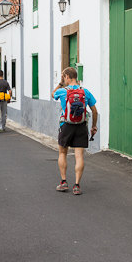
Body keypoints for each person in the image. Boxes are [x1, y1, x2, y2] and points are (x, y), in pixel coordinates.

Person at [52, 67, 98, 195]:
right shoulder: (85, 92)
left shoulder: (62, 91)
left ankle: (64, 181)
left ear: (66, 76)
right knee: (79, 156)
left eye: (64, 77)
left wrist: (60, 83)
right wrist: (94, 126)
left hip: (66, 125)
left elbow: (52, 94)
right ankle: (77, 185)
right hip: (81, 126)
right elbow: (94, 110)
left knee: (62, 153)